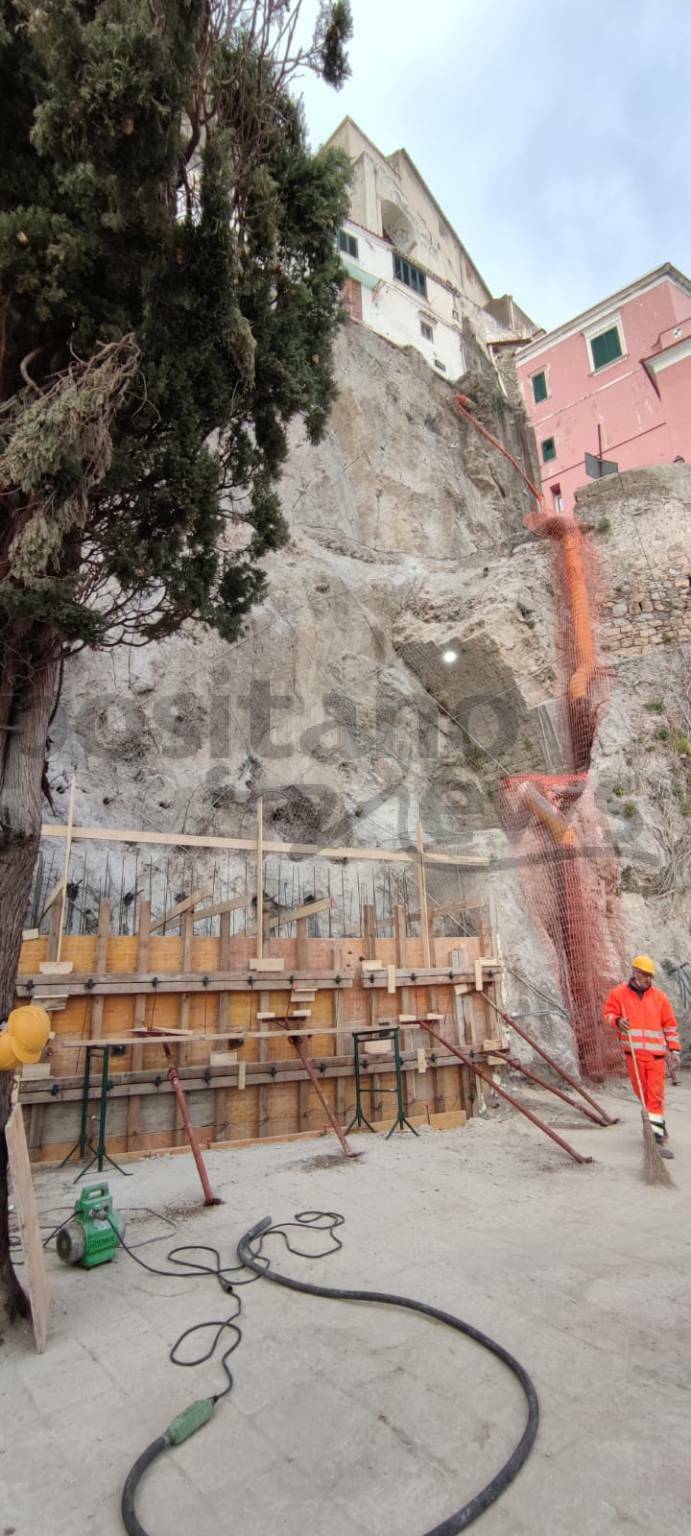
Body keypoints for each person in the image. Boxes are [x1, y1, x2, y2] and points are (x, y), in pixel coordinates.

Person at [604, 955, 680, 1158]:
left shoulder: (660, 997)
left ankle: (655, 1138)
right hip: (633, 1057)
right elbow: (608, 1014)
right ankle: (658, 1125)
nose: (648, 979)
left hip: (655, 1058)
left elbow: (670, 1025)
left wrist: (674, 1050)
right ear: (635, 972)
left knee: (655, 1098)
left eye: (651, 976)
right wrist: (618, 1021)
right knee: (643, 1097)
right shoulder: (619, 994)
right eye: (645, 975)